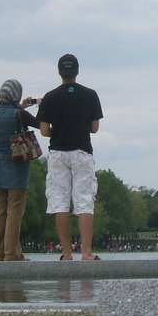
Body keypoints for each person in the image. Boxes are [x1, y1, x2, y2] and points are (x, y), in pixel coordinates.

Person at [37, 54, 104, 261]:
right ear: (77, 71)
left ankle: (66, 253)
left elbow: (44, 131)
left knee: (60, 202)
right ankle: (86, 252)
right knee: (84, 201)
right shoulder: (90, 95)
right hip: (82, 151)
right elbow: (94, 128)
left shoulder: (50, 97)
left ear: (59, 72)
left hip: (58, 153)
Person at [0, 78, 39, 261]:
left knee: (0, 209)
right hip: (16, 165)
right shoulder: (19, 114)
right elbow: (39, 123)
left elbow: (11, 119)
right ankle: (12, 254)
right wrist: (39, 106)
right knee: (15, 210)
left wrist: (21, 107)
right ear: (15, 95)